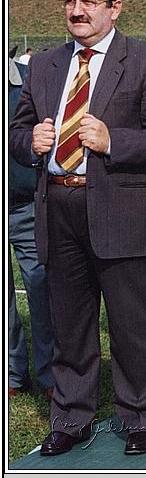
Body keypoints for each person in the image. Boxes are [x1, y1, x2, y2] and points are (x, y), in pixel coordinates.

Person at [10, 0, 146, 456]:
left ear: (115, 7)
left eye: (88, 1)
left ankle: (145, 416)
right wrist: (31, 141)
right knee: (68, 325)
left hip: (120, 208)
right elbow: (16, 133)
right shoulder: (42, 64)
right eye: (70, 1)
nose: (77, 10)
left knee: (136, 324)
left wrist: (113, 141)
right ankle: (71, 416)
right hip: (57, 207)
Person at [8, 56, 55, 402]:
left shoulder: (29, 78)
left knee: (42, 289)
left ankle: (52, 373)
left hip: (27, 204)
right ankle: (11, 372)